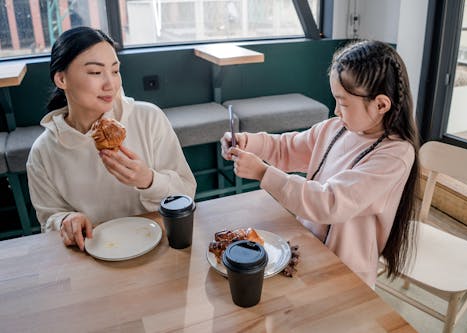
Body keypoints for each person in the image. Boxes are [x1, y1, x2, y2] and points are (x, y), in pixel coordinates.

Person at [220, 40, 419, 288]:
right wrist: (247, 142)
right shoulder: (336, 128)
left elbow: (330, 202)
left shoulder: (395, 155)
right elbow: (287, 148)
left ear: (380, 105)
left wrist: (263, 173)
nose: (336, 110)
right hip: (308, 250)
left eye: (344, 103)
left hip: (346, 274)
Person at [27, 27, 196, 251]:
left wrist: (148, 180)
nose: (110, 84)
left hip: (158, 247)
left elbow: (187, 193)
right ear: (61, 78)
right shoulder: (43, 152)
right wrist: (66, 220)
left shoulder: (148, 118)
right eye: (96, 73)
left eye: (115, 71)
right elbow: (49, 220)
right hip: (90, 256)